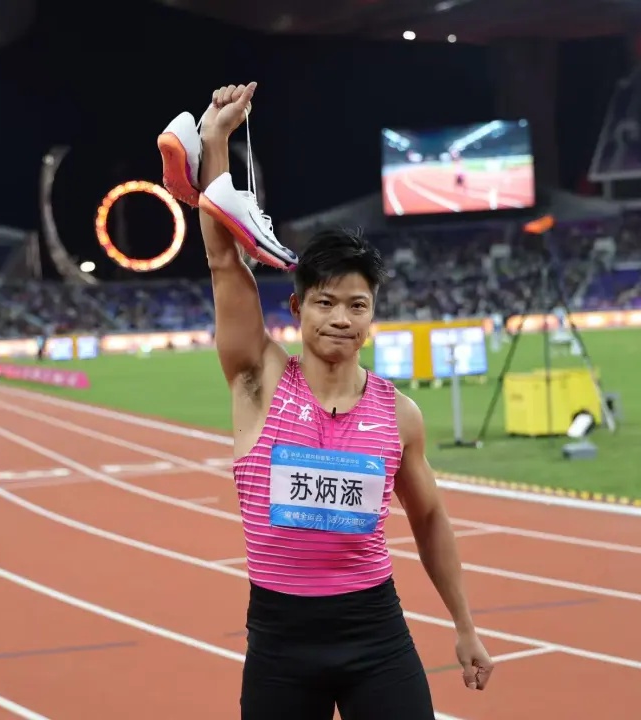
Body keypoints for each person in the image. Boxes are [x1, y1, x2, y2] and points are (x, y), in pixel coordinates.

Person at [158, 83, 493, 719]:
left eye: (357, 305)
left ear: (372, 315)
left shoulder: (399, 415)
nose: (341, 318)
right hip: (281, 645)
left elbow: (429, 519)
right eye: (326, 302)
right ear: (297, 307)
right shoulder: (258, 382)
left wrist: (464, 624)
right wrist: (217, 140)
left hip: (376, 636)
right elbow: (225, 263)